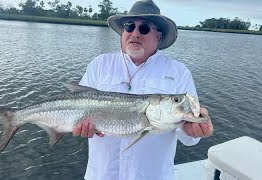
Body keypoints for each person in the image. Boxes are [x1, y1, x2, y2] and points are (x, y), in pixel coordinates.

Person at [72, 0, 213, 179]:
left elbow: (190, 138)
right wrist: (82, 126)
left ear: (158, 36)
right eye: (129, 26)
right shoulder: (100, 65)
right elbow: (79, 109)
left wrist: (194, 130)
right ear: (123, 32)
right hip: (101, 174)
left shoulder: (178, 72)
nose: (135, 33)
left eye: (144, 28)